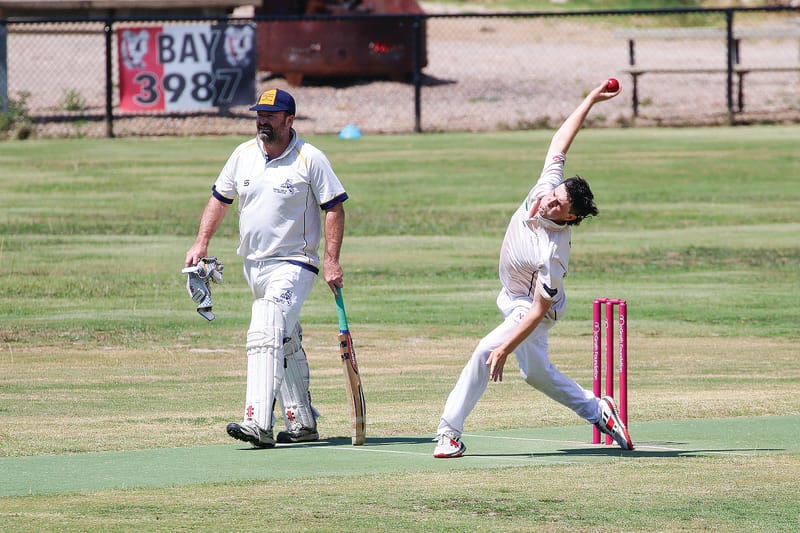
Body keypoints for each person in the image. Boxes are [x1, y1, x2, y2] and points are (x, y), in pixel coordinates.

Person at [434, 80, 633, 458]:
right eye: (553, 197)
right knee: (537, 375)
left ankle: (449, 432)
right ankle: (598, 409)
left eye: (559, 206)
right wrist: (590, 100)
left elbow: (540, 310)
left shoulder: (553, 254)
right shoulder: (547, 188)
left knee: (484, 352)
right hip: (512, 301)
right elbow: (560, 142)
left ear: (571, 217)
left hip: (533, 310)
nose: (549, 204)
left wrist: (505, 348)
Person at [185, 88, 348, 448]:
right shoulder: (243, 155)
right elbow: (220, 199)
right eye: (259, 114)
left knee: (266, 322)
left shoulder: (310, 158)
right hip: (253, 265)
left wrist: (333, 260)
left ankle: (257, 420)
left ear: (289, 120)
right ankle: (303, 421)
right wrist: (202, 242)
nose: (262, 121)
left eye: (270, 116)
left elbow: (334, 207)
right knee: (282, 336)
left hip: (296, 262)